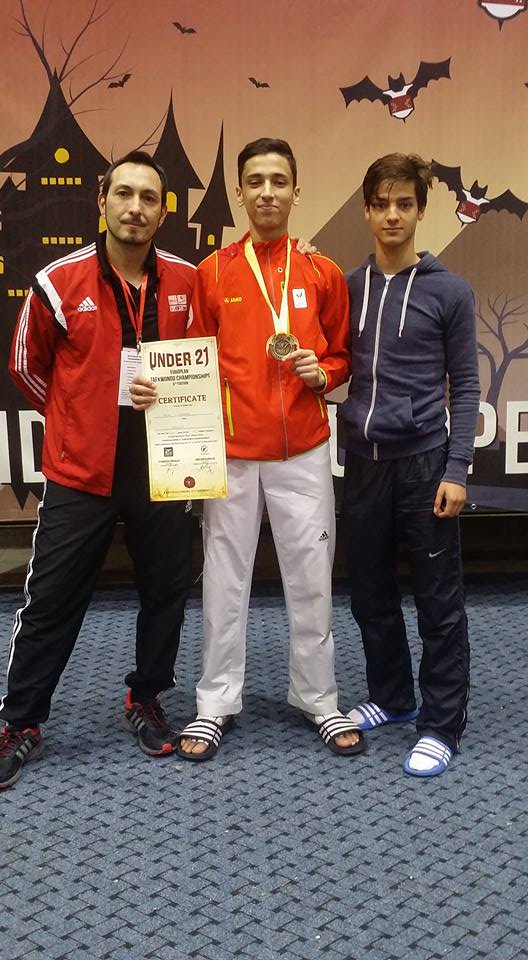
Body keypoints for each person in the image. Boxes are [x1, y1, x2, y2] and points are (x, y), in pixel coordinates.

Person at [132, 137, 364, 761]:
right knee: (223, 580)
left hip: (303, 450)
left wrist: (324, 372)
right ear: (239, 193)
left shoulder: (322, 272)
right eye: (255, 181)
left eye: (278, 181)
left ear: (296, 191)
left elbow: (343, 355)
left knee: (311, 578)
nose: (267, 192)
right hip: (231, 454)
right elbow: (192, 360)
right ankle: (215, 702)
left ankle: (319, 697)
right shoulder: (212, 272)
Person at [0, 151, 196, 789]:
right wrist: (75, 418)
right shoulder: (58, 282)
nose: (136, 208)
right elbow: (26, 366)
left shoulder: (188, 281)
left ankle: (146, 696)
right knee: (52, 598)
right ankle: (20, 720)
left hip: (164, 464)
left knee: (165, 589)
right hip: (81, 469)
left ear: (162, 212)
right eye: (125, 194)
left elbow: (205, 362)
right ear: (103, 201)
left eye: (149, 198)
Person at [340, 153, 480, 777]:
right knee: (370, 594)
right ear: (367, 211)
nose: (392, 215)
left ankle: (442, 724)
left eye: (405, 204)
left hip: (426, 465)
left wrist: (457, 470)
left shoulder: (450, 291)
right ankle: (393, 696)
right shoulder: (347, 286)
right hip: (362, 463)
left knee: (437, 602)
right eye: (382, 204)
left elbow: (467, 387)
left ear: (421, 210)